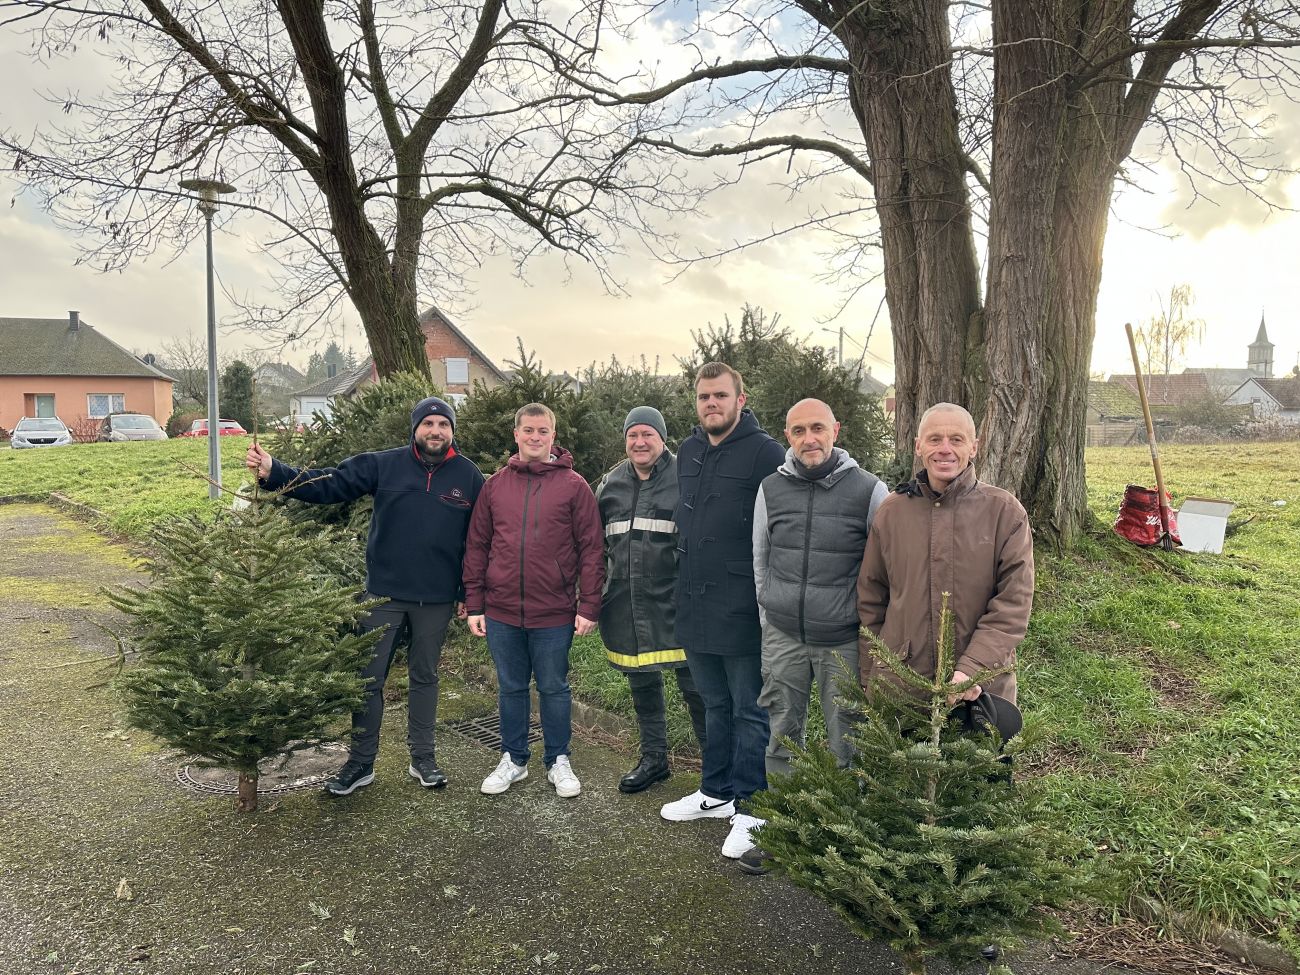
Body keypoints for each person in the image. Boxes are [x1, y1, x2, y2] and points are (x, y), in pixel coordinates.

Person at [245, 396, 484, 796]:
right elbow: (330, 483)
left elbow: (478, 540)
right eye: (428, 424)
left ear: (452, 431)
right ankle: (360, 763)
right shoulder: (383, 465)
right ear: (415, 429)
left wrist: (468, 592)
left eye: (444, 424)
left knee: (425, 677)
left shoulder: (469, 475)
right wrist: (275, 471)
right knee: (367, 679)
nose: (436, 431)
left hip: (437, 598)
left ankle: (423, 758)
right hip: (384, 595)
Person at [660, 362, 784, 860]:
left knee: (749, 709)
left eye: (720, 396)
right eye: (704, 397)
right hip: (693, 603)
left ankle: (752, 808)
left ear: (740, 400)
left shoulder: (766, 453)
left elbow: (779, 528)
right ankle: (716, 791)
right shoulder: (688, 450)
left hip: (742, 606)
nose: (711, 404)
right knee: (712, 704)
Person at [462, 403, 604, 799]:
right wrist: (475, 603)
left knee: (554, 687)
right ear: (516, 434)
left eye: (543, 431)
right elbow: (477, 546)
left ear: (553, 436)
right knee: (511, 687)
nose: (535, 437)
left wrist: (589, 605)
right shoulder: (495, 486)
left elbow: (592, 549)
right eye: (528, 430)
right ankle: (514, 758)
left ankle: (558, 759)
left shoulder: (574, 486)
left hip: (554, 611)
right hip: (501, 610)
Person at [856, 402, 1034, 709]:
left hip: (980, 691)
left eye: (956, 439)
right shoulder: (892, 512)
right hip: (903, 686)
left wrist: (972, 669)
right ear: (918, 446)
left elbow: (1013, 605)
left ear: (974, 447)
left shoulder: (1004, 513)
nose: (945, 449)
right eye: (935, 439)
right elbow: (872, 599)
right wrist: (870, 673)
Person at [594, 406, 708, 793]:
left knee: (697, 688)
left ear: (663, 438)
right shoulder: (610, 484)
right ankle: (654, 759)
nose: (640, 442)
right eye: (633, 435)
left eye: (648, 435)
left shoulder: (686, 478)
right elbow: (594, 546)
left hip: (679, 604)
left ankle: (716, 768)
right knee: (642, 684)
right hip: (626, 603)